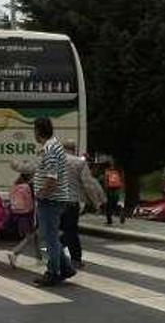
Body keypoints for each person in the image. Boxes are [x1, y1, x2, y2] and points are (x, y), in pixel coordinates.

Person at [31, 117, 75, 286]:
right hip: (55, 198)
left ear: (38, 131)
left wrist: (41, 193)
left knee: (48, 237)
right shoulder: (55, 145)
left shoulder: (50, 149)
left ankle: (53, 272)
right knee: (52, 236)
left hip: (50, 199)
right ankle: (65, 268)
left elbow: (52, 177)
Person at [60, 139, 104, 269]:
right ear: (74, 149)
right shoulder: (79, 162)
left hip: (54, 203)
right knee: (71, 231)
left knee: (56, 232)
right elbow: (88, 184)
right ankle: (75, 260)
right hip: (70, 203)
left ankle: (51, 253)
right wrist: (96, 203)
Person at [6, 173, 42, 267]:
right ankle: (15, 252)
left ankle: (39, 258)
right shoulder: (28, 186)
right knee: (30, 236)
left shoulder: (15, 186)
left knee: (34, 236)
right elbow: (31, 201)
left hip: (16, 214)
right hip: (28, 214)